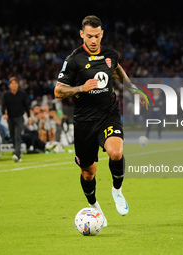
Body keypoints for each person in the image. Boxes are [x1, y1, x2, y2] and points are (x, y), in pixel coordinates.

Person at [54, 15, 147, 226]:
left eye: (97, 36)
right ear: (81, 34)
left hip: (108, 114)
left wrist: (132, 88)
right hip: (84, 121)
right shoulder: (73, 60)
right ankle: (95, 207)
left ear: (102, 33)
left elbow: (116, 69)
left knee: (116, 152)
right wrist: (80, 88)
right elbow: (58, 91)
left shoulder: (110, 54)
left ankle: (117, 190)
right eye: (89, 36)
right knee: (88, 173)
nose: (93, 40)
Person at [2, 77, 30, 162]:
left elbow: (26, 106)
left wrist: (29, 117)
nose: (13, 85)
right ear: (9, 85)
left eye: (15, 83)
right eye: (12, 83)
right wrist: (4, 113)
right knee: (12, 136)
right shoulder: (6, 95)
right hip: (10, 118)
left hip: (19, 117)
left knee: (18, 135)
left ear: (18, 85)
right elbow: (3, 106)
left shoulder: (22, 94)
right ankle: (17, 154)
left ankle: (16, 154)